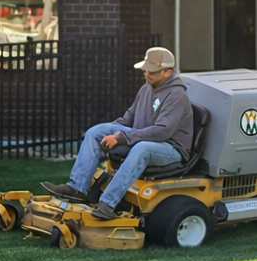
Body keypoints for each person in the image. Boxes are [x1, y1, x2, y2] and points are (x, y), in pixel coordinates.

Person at [42, 47, 194, 220]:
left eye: (152, 71)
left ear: (168, 72)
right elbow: (129, 117)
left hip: (170, 147)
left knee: (142, 148)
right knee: (96, 131)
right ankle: (77, 188)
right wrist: (110, 132)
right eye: (145, 69)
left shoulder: (177, 95)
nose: (146, 73)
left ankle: (107, 204)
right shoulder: (147, 88)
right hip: (143, 137)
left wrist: (121, 138)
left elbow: (162, 131)